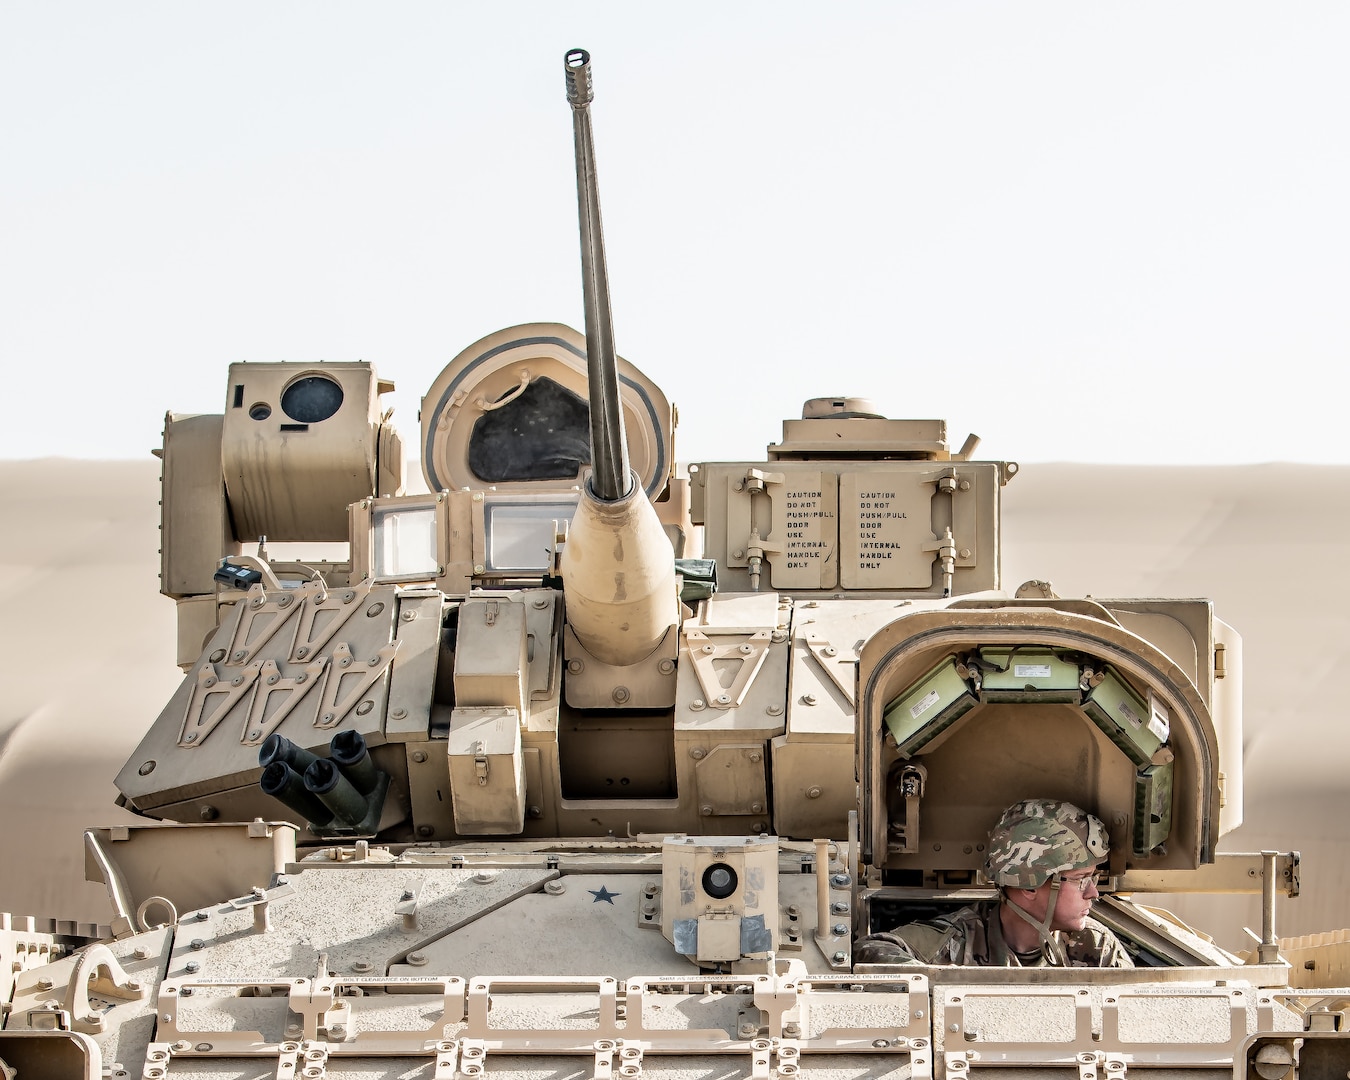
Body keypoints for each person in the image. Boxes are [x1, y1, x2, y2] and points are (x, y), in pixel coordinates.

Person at [855, 798, 1134, 967]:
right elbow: (870, 950)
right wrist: (938, 983)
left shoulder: (1095, 946)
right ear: (1028, 885)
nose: (1093, 893)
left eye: (1093, 878)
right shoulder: (959, 941)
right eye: (1080, 880)